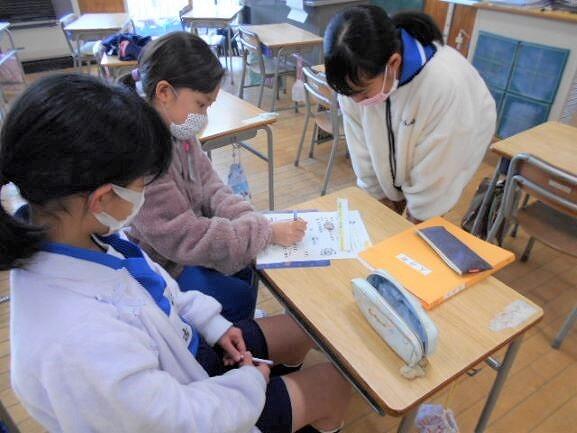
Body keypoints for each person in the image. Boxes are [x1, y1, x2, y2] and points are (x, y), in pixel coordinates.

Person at [0, 73, 350, 433]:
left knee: (304, 328)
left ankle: (286, 388)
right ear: (102, 198)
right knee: (334, 385)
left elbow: (162, 290)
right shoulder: (76, 343)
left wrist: (214, 326)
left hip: (188, 357)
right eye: (142, 184)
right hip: (197, 409)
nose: (145, 193)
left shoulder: (82, 236)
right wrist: (250, 384)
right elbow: (178, 420)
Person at [120, 32, 307, 323]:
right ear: (164, 92)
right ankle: (225, 338)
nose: (204, 115)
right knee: (236, 293)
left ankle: (237, 326)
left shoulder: (178, 128)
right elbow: (183, 236)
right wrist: (265, 232)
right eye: (201, 104)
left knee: (248, 267)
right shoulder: (143, 153)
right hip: (163, 264)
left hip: (184, 248)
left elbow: (211, 186)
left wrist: (251, 221)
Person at [324, 6, 496, 223]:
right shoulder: (353, 83)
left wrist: (418, 216)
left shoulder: (443, 85)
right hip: (414, 132)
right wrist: (378, 195)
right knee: (382, 217)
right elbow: (361, 148)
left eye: (363, 93)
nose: (357, 102)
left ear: (393, 63)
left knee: (419, 223)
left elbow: (435, 179)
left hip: (456, 137)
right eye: (349, 94)